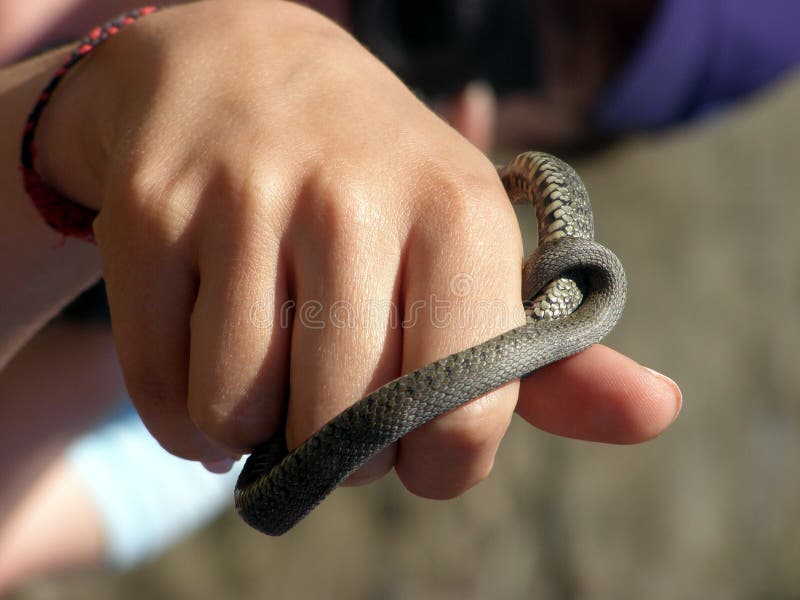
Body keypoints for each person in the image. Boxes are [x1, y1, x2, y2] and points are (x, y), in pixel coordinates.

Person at [10, 0, 797, 590]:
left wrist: (76, 130)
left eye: (536, 27)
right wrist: (103, 91)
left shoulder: (237, 402)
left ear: (488, 124)